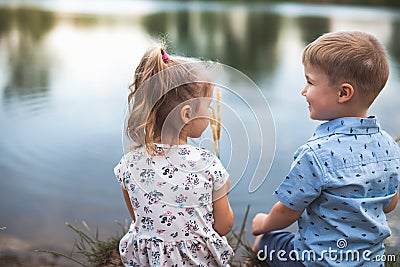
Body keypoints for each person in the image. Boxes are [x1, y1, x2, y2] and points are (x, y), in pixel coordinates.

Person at [250, 31, 400, 266]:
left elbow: (288, 212)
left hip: (315, 261)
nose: (303, 91)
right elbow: (390, 204)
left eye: (310, 82)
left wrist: (263, 224)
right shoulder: (389, 146)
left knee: (268, 240)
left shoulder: (315, 153)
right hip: (370, 262)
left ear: (343, 93)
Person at [114, 45, 234, 267]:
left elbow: (139, 219)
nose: (210, 113)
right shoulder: (207, 166)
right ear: (187, 114)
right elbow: (224, 226)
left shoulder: (128, 165)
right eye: (207, 106)